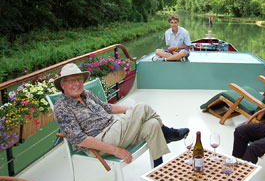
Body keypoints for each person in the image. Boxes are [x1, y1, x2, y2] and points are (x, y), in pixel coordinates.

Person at [53, 63, 189, 167]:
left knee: (152, 124)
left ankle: (158, 170)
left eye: (79, 79)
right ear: (62, 85)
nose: (76, 83)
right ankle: (169, 133)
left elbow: (107, 107)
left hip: (116, 129)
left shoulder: (87, 94)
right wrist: (115, 151)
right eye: (71, 81)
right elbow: (81, 140)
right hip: (101, 141)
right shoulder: (62, 108)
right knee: (141, 107)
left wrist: (130, 110)